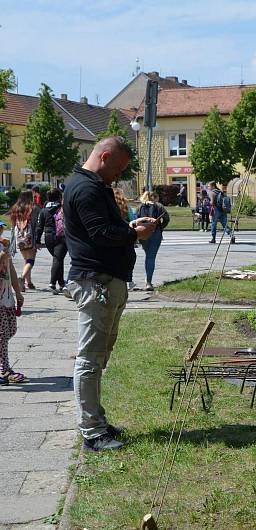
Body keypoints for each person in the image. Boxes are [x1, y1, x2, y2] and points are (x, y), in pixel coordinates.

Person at [63, 136, 157, 451]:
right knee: (90, 359)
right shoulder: (86, 188)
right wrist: (133, 232)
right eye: (117, 168)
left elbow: (105, 229)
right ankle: (91, 431)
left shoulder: (96, 186)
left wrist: (131, 227)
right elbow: (101, 235)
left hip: (105, 281)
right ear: (104, 157)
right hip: (95, 282)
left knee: (99, 356)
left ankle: (97, 421)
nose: (118, 176)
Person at [0, 221, 25, 385]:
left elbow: (12, 271)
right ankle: (4, 369)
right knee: (2, 335)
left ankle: (5, 367)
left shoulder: (4, 249)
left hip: (7, 299)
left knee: (10, 331)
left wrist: (17, 292)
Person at [35, 188, 68, 294]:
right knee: (58, 259)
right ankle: (52, 283)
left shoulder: (43, 210)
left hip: (48, 237)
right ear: (59, 197)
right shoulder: (62, 208)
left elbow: (39, 226)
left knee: (58, 259)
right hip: (61, 237)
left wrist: (37, 240)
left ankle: (62, 283)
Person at [136, 191, 170, 291]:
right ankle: (148, 282)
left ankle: (145, 280)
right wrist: (160, 228)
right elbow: (167, 218)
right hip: (155, 233)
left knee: (147, 255)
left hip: (143, 233)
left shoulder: (139, 207)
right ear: (153, 197)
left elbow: (135, 219)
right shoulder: (159, 206)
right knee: (151, 257)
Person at [10, 190, 41, 291]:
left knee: (26, 260)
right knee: (31, 260)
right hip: (29, 236)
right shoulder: (32, 208)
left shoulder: (16, 208)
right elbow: (37, 224)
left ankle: (28, 283)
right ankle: (22, 278)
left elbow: (13, 224)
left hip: (19, 236)